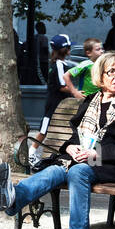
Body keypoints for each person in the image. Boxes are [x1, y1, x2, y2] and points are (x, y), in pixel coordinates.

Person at [0, 51, 115, 229]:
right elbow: (77, 136)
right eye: (111, 72)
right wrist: (69, 149)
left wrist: (95, 152)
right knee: (56, 170)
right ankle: (13, 199)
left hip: (112, 164)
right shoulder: (91, 101)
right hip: (81, 159)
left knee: (78, 172)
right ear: (100, 75)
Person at [29, 33, 79, 168]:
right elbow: (62, 86)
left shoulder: (58, 63)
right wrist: (76, 92)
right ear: (65, 50)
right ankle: (32, 153)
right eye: (69, 47)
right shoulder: (58, 64)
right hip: (54, 103)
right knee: (44, 129)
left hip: (60, 103)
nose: (70, 50)